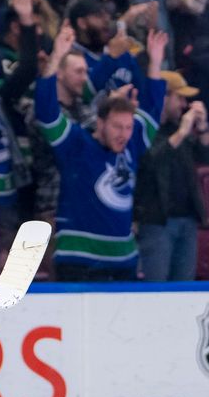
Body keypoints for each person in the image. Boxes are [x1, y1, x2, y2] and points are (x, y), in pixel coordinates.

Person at [35, 23, 168, 281]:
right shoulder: (76, 144)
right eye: (117, 127)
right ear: (101, 123)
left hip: (123, 261)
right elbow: (46, 111)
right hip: (79, 261)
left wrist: (155, 63)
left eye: (128, 127)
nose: (124, 134)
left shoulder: (132, 144)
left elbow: (152, 111)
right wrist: (57, 57)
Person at [134, 71, 209, 281]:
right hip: (157, 222)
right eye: (180, 97)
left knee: (184, 292)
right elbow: (149, 163)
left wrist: (203, 129)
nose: (185, 104)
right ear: (163, 97)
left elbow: (205, 156)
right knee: (154, 289)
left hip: (188, 220)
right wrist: (182, 133)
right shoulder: (143, 128)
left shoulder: (179, 129)